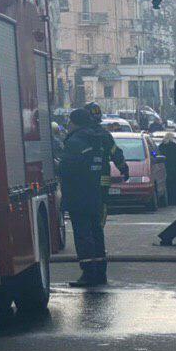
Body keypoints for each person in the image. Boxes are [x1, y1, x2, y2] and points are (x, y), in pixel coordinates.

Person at [59, 108, 109, 287]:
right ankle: (100, 272)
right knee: (96, 232)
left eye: (70, 121)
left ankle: (88, 273)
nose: (68, 125)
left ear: (75, 122)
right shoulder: (97, 139)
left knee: (83, 235)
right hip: (94, 193)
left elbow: (66, 168)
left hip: (78, 195)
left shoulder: (75, 142)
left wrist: (59, 165)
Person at [85, 102, 129, 224]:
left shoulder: (78, 135)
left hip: (83, 180)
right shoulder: (104, 135)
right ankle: (98, 226)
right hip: (102, 179)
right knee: (101, 204)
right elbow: (115, 154)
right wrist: (124, 169)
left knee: (85, 205)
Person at [158, 132, 176, 247]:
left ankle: (166, 237)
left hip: (165, 169)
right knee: (175, 188)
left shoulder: (161, 147)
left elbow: (155, 153)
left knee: (168, 188)